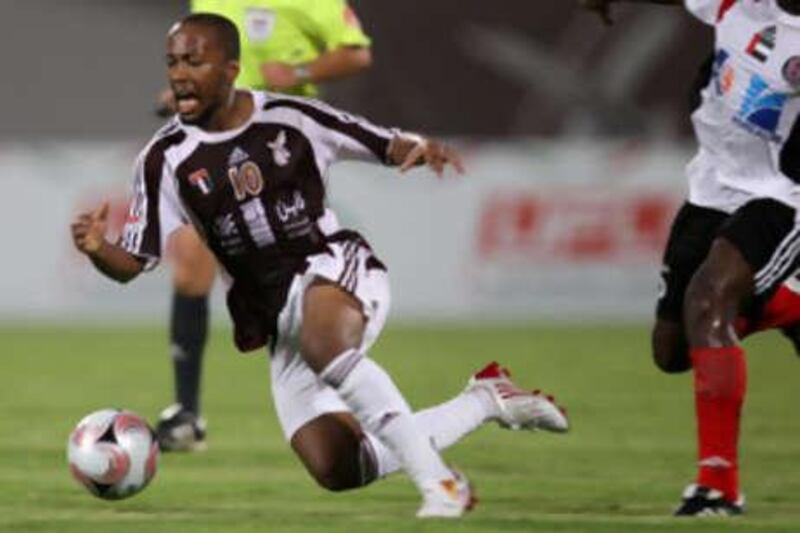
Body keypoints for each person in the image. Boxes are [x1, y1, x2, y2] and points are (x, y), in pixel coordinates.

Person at [71, 14, 569, 518]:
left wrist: (420, 149)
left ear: (231, 70)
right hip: (273, 316)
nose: (179, 74)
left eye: (194, 61)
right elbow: (133, 262)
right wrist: (96, 248)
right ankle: (485, 400)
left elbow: (381, 141)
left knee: (323, 342)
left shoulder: (291, 118)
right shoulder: (163, 159)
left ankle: (442, 486)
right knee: (338, 467)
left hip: (332, 267)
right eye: (173, 62)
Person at [582, 0, 800, 516]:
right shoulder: (738, 2)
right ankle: (789, 306)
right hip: (713, 187)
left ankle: (718, 487)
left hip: (783, 195)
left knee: (709, 298)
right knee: (673, 350)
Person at [156, 0, 374, 452]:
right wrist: (181, 93)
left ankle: (352, 398)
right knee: (191, 266)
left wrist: (299, 72)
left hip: (281, 153)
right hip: (216, 147)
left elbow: (356, 53)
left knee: (299, 289)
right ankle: (187, 414)